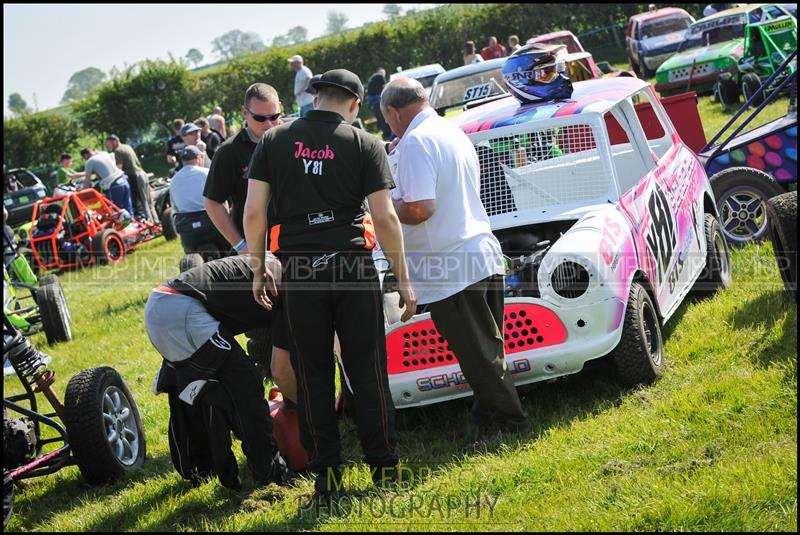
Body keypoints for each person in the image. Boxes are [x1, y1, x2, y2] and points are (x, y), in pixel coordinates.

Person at [243, 68, 417, 502]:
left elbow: (252, 215)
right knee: (368, 368)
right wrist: (404, 279)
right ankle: (385, 470)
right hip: (353, 266)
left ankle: (329, 481)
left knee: (313, 374)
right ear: (355, 105)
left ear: (315, 96)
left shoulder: (273, 140)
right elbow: (386, 217)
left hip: (300, 271)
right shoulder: (365, 143)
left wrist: (258, 267)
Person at [380, 77, 531, 438]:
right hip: (478, 250)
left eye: (387, 118)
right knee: (487, 347)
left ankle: (513, 423)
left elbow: (420, 209)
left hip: (450, 264)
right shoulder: (450, 130)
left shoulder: (416, 142)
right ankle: (485, 419)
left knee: (478, 354)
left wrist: (382, 206)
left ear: (393, 111)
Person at [144, 253, 297, 490]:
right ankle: (271, 473)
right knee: (247, 387)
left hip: (162, 304)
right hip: (180, 311)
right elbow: (281, 369)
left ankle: (205, 465)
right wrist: (305, 410)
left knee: (216, 392)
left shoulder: (276, 262)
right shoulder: (291, 290)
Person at [203, 82, 296, 404]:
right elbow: (212, 203)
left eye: (276, 116)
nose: (270, 124)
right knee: (266, 327)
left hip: (296, 244)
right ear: (244, 114)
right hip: (259, 251)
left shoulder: (291, 140)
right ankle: (272, 395)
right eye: (261, 119)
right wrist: (242, 246)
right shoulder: (230, 152)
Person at [169, 146, 229, 257]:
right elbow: (222, 199)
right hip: (212, 224)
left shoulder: (174, 180)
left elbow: (175, 207)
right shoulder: (207, 173)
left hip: (188, 230)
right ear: (198, 158)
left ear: (182, 161)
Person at [106, 134, 155, 222]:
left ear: (115, 142)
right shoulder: (127, 146)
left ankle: (151, 225)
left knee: (142, 203)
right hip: (142, 173)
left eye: (109, 144)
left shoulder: (118, 151)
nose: (108, 146)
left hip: (134, 176)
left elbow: (119, 168)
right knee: (148, 202)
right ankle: (156, 221)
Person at [80, 147, 134, 215]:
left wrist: (83, 192)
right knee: (128, 209)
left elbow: (87, 180)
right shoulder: (104, 154)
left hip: (114, 185)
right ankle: (134, 224)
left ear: (85, 156)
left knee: (118, 212)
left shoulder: (90, 161)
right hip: (124, 180)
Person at [366, 68, 392, 139]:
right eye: (383, 72)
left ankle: (385, 134)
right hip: (378, 100)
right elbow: (385, 87)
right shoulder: (380, 77)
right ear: (380, 72)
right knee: (384, 117)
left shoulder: (372, 78)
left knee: (380, 118)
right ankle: (388, 134)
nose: (384, 74)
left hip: (372, 102)